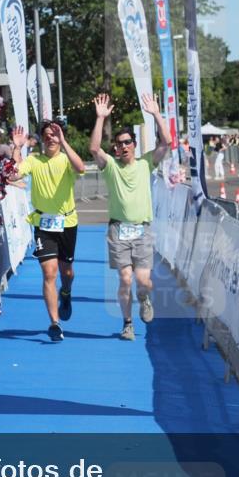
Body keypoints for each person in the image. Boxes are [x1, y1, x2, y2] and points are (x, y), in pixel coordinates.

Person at [89, 93, 170, 340]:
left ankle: (144, 298)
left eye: (127, 142)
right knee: (125, 279)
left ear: (134, 144)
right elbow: (93, 148)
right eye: (119, 143)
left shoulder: (146, 163)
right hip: (118, 230)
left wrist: (156, 114)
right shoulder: (111, 166)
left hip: (142, 230)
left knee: (143, 281)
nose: (123, 146)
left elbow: (167, 143)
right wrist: (100, 118)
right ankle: (127, 324)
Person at [9, 118, 86, 342]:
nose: (51, 138)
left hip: (67, 222)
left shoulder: (66, 160)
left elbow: (80, 168)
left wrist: (64, 141)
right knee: (49, 272)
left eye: (55, 134)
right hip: (43, 224)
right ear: (42, 139)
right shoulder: (34, 161)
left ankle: (67, 292)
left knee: (67, 272)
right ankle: (54, 323)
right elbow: (13, 174)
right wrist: (16, 147)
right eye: (47, 135)